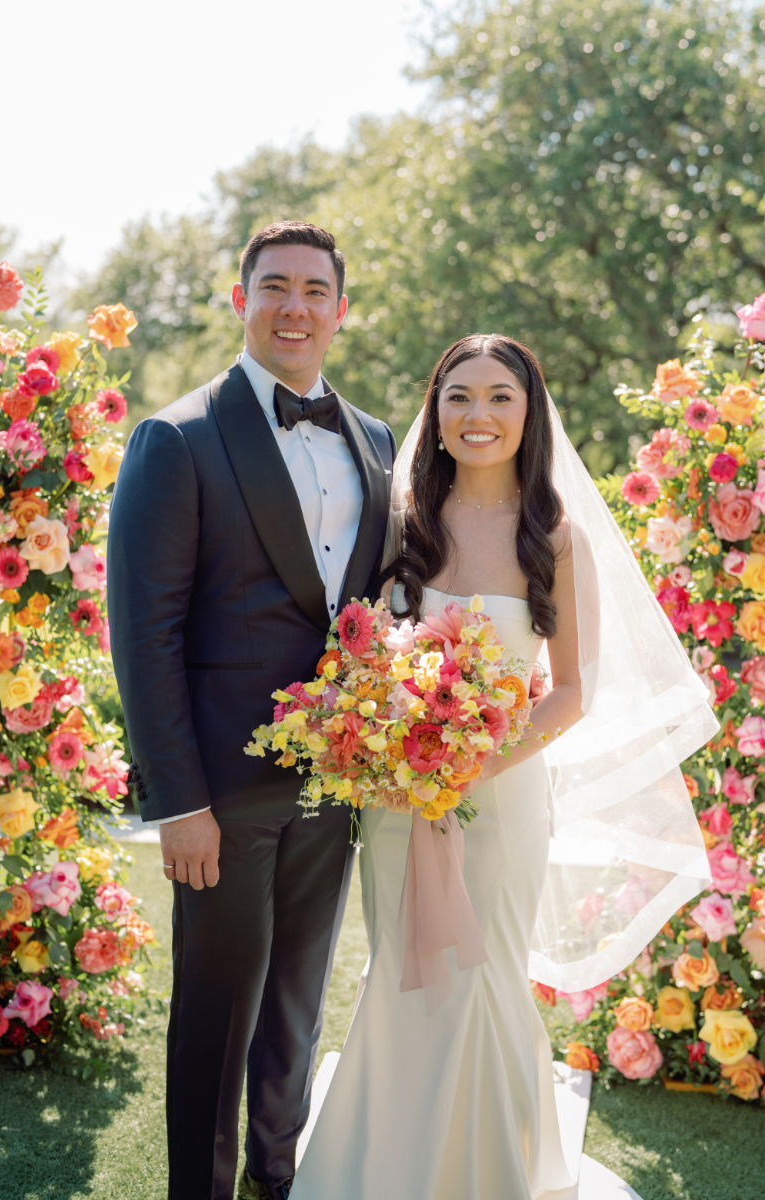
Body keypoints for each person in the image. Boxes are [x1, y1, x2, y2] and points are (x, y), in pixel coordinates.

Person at [291, 333, 716, 1200]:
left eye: (499, 398)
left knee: (485, 970)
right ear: (434, 413)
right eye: (458, 397)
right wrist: (389, 745)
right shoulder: (400, 520)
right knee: (403, 966)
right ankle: (391, 1162)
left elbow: (569, 694)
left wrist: (466, 766)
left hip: (502, 795)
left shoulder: (554, 539)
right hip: (397, 796)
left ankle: (491, 1172)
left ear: (530, 415)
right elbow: (362, 652)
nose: (477, 415)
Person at [107, 221, 396, 1200]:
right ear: (242, 299)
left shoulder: (378, 441)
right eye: (274, 285)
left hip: (333, 786)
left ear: (339, 310)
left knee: (292, 1018)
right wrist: (177, 802)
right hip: (220, 797)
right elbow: (142, 635)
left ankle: (278, 1186)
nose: (295, 306)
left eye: (315, 290)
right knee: (215, 1022)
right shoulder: (175, 438)